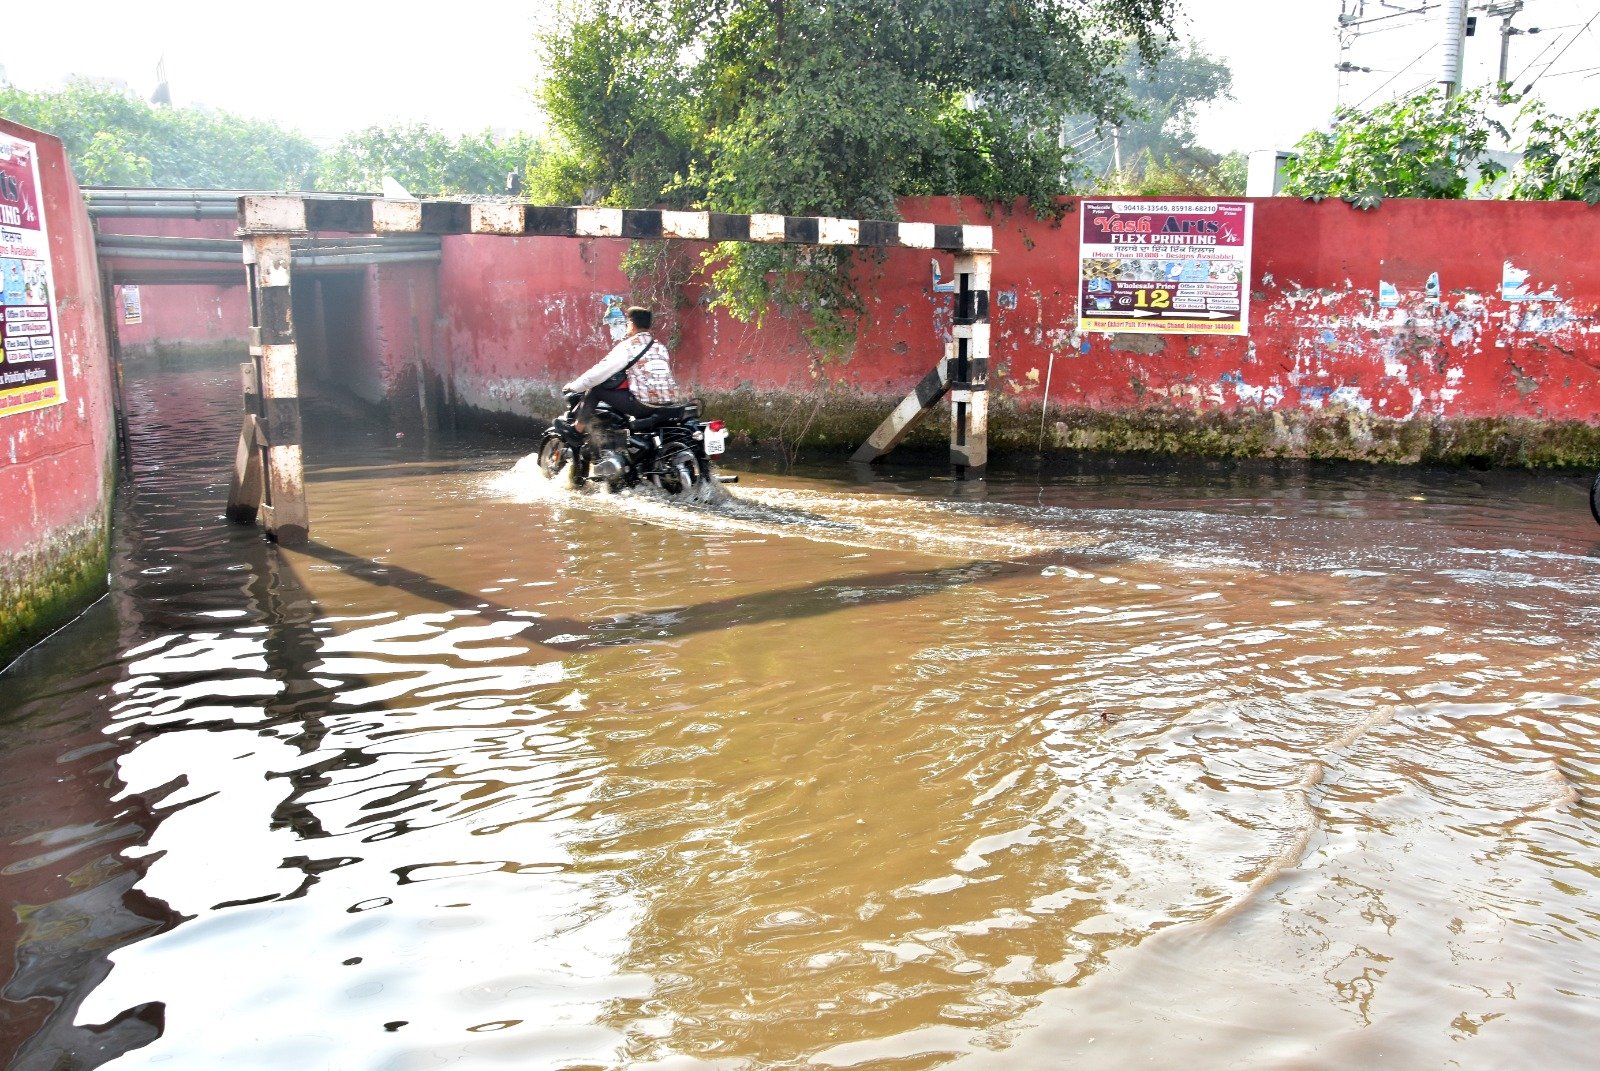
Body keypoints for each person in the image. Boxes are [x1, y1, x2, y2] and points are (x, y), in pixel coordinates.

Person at [562, 306, 680, 433]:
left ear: (632, 324)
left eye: (627, 322)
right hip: (668, 401)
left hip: (644, 405)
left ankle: (576, 431)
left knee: (595, 389)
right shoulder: (660, 347)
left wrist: (574, 387)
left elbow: (599, 372)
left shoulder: (629, 347)